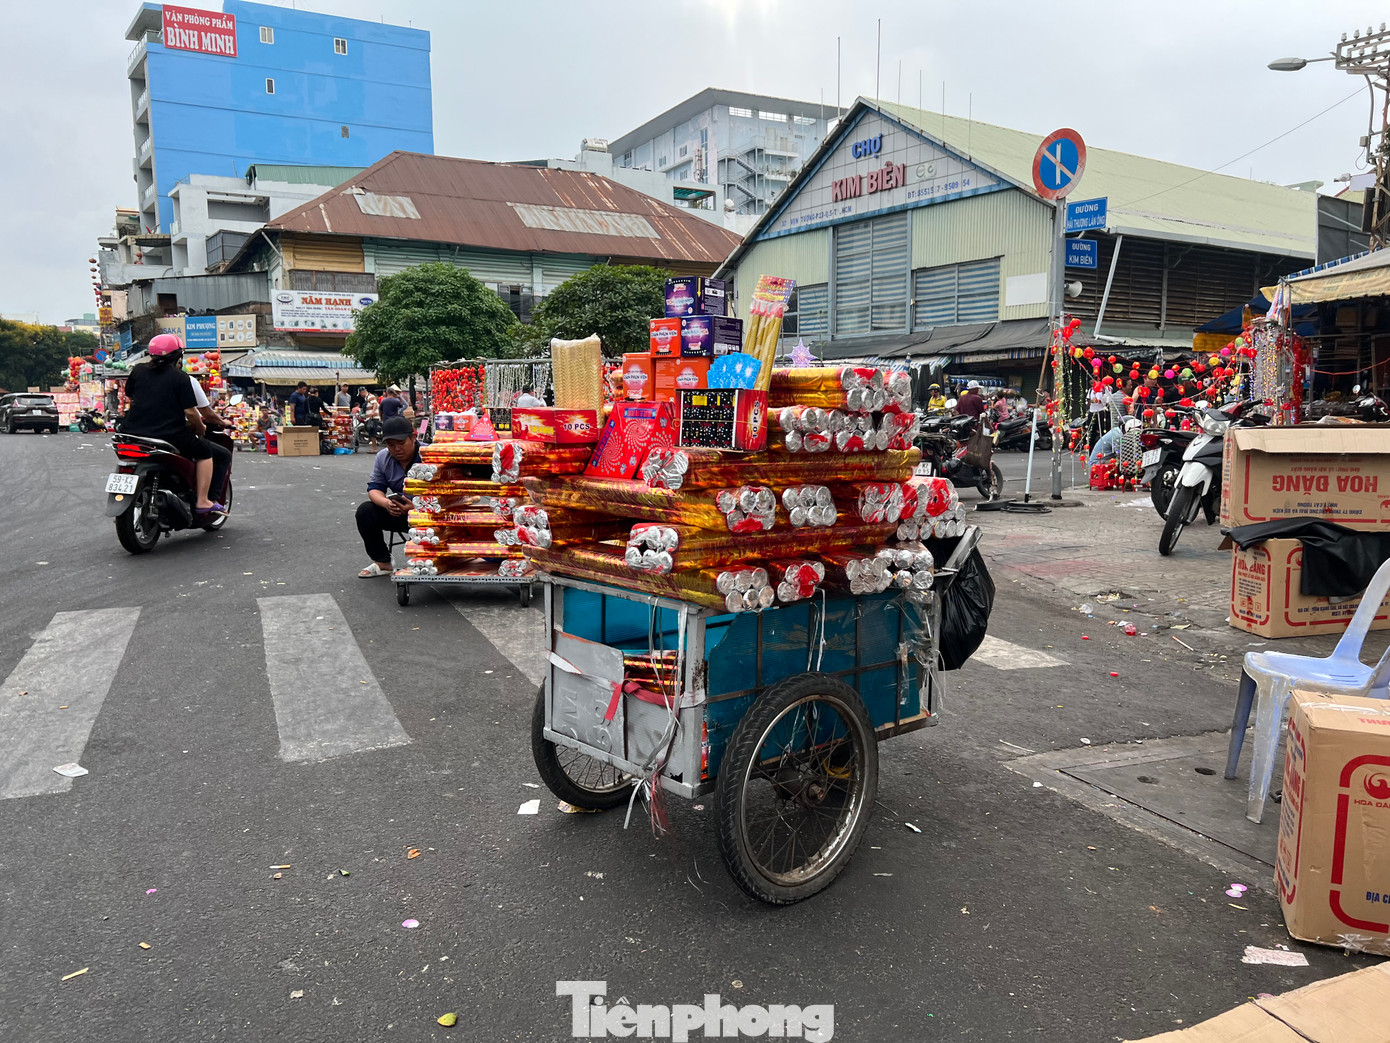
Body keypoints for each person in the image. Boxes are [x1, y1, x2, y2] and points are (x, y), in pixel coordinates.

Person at [121, 334, 224, 516]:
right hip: (169, 434)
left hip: (133, 431)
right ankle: (202, 500)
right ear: (178, 356)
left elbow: (131, 394)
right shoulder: (180, 378)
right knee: (205, 452)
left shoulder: (138, 370)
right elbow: (192, 413)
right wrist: (201, 429)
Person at [355, 416, 422, 578]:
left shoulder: (429, 455)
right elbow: (375, 489)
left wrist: (416, 508)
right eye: (391, 445)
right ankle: (383, 562)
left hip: (431, 514)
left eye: (401, 443)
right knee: (365, 511)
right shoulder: (383, 457)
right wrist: (387, 504)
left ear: (413, 438)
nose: (396, 449)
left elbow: (449, 494)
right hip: (400, 513)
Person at [186, 372, 233, 501]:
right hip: (174, 434)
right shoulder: (184, 379)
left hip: (135, 432)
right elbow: (195, 412)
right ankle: (205, 500)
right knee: (213, 453)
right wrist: (201, 427)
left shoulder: (141, 374)